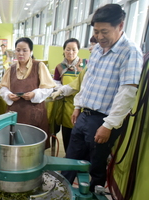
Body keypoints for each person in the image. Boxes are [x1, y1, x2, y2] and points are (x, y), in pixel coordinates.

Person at [61, 4, 143, 192]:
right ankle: (63, 191)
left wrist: (108, 125)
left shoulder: (130, 52)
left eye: (104, 31)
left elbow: (127, 93)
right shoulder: (97, 49)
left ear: (120, 26)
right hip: (84, 115)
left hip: (103, 119)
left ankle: (92, 194)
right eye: (96, 32)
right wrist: (77, 106)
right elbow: (88, 80)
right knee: (71, 158)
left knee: (96, 165)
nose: (99, 37)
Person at [0, 37, 56, 148]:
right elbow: (3, 88)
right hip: (15, 114)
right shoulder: (11, 69)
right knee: (15, 145)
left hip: (35, 114)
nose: (21, 53)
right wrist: (8, 95)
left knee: (34, 146)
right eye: (18, 50)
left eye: (25, 50)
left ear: (31, 51)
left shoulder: (39, 66)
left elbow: (49, 88)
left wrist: (34, 94)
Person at [50, 38, 85, 152]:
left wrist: (66, 90)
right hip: (65, 106)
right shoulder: (59, 67)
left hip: (80, 106)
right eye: (68, 49)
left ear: (78, 50)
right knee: (67, 135)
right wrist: (62, 90)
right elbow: (56, 84)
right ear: (64, 50)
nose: (70, 52)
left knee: (79, 138)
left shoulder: (85, 65)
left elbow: (81, 85)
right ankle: (68, 157)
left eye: (74, 50)